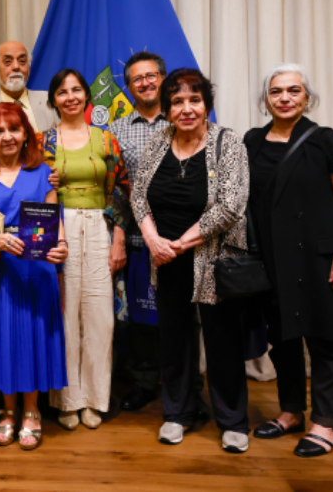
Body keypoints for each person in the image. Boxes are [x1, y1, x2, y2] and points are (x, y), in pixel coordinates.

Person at [130, 68, 251, 453]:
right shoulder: (158, 141)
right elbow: (137, 195)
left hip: (214, 260)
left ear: (207, 105)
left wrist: (179, 244)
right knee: (174, 340)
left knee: (222, 341)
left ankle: (232, 420)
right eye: (177, 102)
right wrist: (153, 241)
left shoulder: (228, 142)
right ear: (166, 109)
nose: (186, 109)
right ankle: (177, 413)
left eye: (194, 100)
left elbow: (231, 205)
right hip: (165, 259)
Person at [245, 63, 333, 457]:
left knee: (325, 340)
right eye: (276, 91)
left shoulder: (329, 141)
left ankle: (325, 423)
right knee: (282, 339)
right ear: (266, 99)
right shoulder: (251, 142)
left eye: (293, 90)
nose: (285, 98)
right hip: (270, 259)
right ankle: (291, 410)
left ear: (307, 97)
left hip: (318, 259)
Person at [0, 102, 68, 450]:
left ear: (26, 135)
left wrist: (61, 245)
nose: (7, 136)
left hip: (35, 269)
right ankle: (7, 411)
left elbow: (53, 217)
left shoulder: (43, 172)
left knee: (32, 338)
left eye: (14, 129)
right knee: (2, 339)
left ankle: (32, 411)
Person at [107, 52, 210, 419]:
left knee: (187, 318)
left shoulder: (187, 120)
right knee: (141, 318)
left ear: (164, 80)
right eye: (137, 78)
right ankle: (144, 381)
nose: (145, 83)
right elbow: (117, 191)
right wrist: (120, 237)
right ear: (128, 87)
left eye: (152, 76)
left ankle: (190, 387)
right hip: (140, 239)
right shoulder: (116, 131)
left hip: (188, 241)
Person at [40, 69, 128, 430]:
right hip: (58, 229)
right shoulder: (43, 142)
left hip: (98, 227)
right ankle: (66, 400)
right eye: (62, 92)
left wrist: (119, 238)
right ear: (53, 100)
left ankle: (94, 398)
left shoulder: (106, 139)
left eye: (76, 90)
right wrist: (43, 181)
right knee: (63, 314)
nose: (70, 97)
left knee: (99, 316)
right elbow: (29, 189)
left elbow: (121, 188)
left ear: (87, 96)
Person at [0, 41, 58, 133]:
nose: (16, 67)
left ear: (29, 68)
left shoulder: (50, 100)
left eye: (22, 61)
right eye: (8, 62)